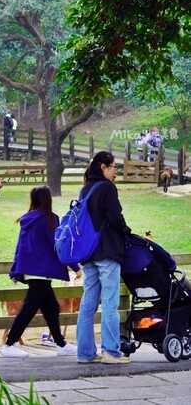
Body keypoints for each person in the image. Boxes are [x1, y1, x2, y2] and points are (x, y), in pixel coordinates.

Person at [1, 186, 81, 358]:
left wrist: (15, 270)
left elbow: (20, 246)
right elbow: (58, 245)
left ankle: (60, 343)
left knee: (51, 306)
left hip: (31, 271)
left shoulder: (26, 219)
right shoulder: (49, 219)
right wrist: (75, 266)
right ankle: (9, 344)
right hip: (41, 270)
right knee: (29, 308)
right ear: (48, 199)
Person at [76, 151, 132, 364]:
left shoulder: (85, 189)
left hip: (88, 253)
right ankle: (111, 351)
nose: (115, 171)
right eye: (113, 167)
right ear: (103, 167)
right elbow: (115, 218)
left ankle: (85, 353)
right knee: (110, 302)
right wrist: (126, 230)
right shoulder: (107, 188)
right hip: (107, 251)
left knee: (88, 303)